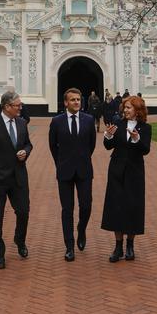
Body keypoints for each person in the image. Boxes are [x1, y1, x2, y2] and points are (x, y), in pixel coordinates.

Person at [0, 90, 32, 269]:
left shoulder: (22, 123)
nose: (20, 108)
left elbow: (28, 143)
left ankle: (19, 240)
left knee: (23, 212)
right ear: (7, 106)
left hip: (19, 177)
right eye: (18, 105)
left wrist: (26, 152)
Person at [101, 96, 151, 262]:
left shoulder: (145, 128)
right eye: (125, 107)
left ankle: (130, 245)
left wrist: (137, 139)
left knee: (133, 206)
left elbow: (145, 150)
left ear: (138, 110)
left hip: (135, 172)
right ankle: (118, 247)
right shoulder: (119, 124)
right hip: (116, 170)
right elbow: (108, 146)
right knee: (116, 206)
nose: (125, 110)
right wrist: (108, 136)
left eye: (129, 108)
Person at [49, 87, 97, 261]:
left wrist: (82, 158)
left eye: (78, 99)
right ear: (66, 103)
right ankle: (69, 246)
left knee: (86, 205)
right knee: (67, 210)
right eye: (73, 100)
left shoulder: (89, 120)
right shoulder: (57, 121)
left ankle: (81, 229)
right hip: (64, 171)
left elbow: (91, 144)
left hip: (84, 170)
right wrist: (61, 163)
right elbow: (53, 146)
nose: (76, 102)